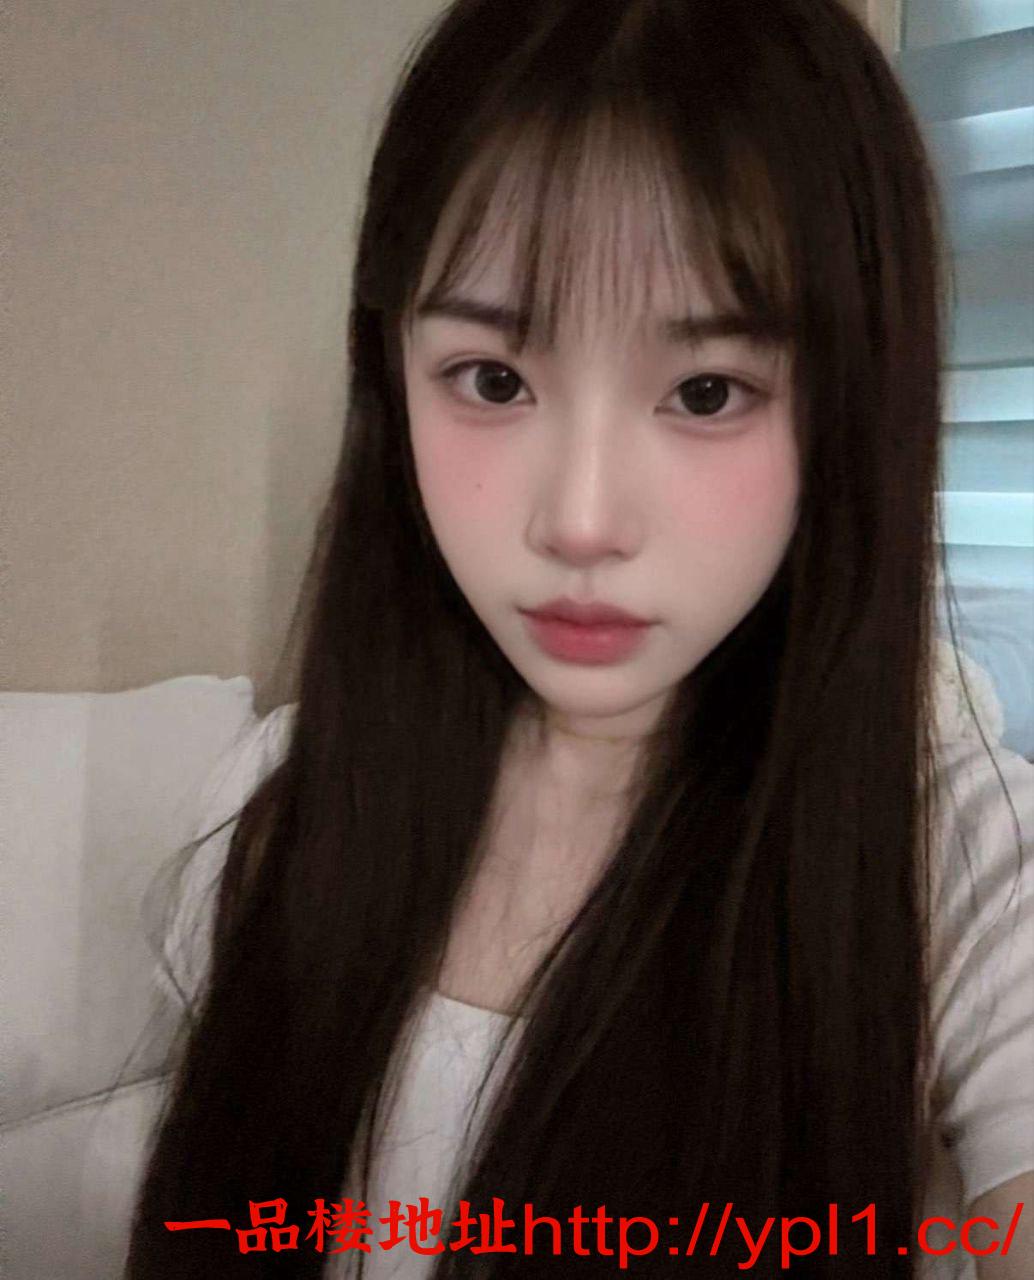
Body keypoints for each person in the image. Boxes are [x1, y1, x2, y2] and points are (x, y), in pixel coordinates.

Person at [125, 1, 1034, 1276]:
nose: (581, 521)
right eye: (493, 379)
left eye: (705, 391)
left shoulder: (960, 876)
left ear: (848, 408)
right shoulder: (277, 810)